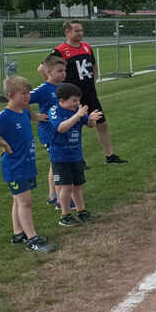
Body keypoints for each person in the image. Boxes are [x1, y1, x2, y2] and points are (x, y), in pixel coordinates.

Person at [0, 76, 54, 252]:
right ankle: (32, 239)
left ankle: (18, 234)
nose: (28, 96)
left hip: (27, 164)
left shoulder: (24, 111)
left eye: (28, 93)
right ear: (11, 96)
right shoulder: (4, 116)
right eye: (23, 93)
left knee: (18, 201)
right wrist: (2, 143)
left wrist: (34, 115)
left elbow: (29, 113)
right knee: (25, 202)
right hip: (15, 166)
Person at [38, 20, 127, 165]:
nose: (80, 33)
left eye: (81, 30)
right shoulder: (59, 51)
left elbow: (93, 66)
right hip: (71, 97)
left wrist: (94, 82)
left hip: (89, 94)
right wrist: (56, 86)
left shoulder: (87, 47)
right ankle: (76, 159)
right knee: (72, 127)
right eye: (76, 31)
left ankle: (110, 156)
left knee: (102, 124)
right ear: (67, 32)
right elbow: (42, 69)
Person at [49, 83, 103, 226]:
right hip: (60, 156)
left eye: (78, 100)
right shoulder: (55, 110)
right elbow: (61, 128)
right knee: (67, 187)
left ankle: (81, 210)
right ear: (62, 101)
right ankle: (65, 215)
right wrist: (77, 115)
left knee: (78, 185)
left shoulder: (76, 110)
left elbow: (90, 125)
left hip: (76, 155)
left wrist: (91, 119)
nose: (77, 103)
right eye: (74, 100)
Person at [29, 56, 75, 211]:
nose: (64, 73)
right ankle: (62, 201)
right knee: (59, 165)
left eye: (64, 70)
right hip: (49, 133)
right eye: (60, 71)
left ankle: (53, 196)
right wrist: (34, 116)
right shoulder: (43, 89)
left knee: (54, 164)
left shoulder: (63, 87)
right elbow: (22, 100)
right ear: (48, 72)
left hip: (62, 131)